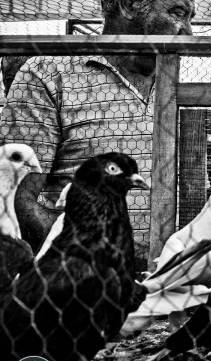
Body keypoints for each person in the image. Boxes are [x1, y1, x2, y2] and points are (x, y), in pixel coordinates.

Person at [0, 0, 195, 261]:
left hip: (169, 276)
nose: (189, 33)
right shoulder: (48, 74)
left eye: (190, 17)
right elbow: (14, 200)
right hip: (82, 281)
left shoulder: (177, 90)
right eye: (178, 13)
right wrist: (92, 253)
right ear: (129, 5)